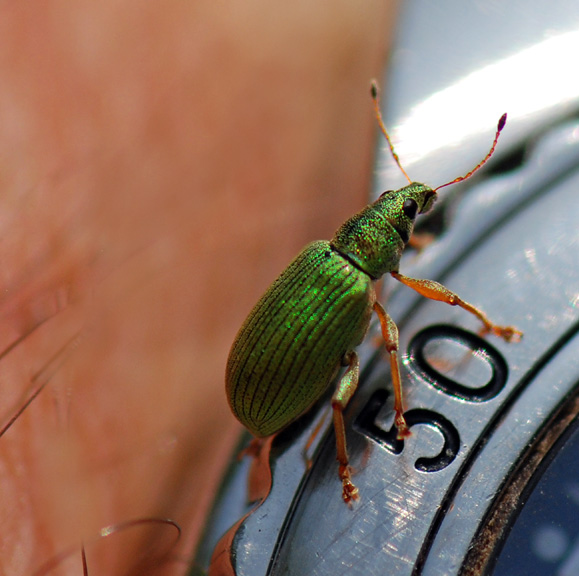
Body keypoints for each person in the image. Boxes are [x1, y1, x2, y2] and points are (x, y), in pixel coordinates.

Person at [0, 2, 395, 573]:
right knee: (348, 385)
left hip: (254, 388)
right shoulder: (355, 288)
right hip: (267, 393)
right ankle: (338, 468)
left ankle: (272, 444)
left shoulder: (320, 257)